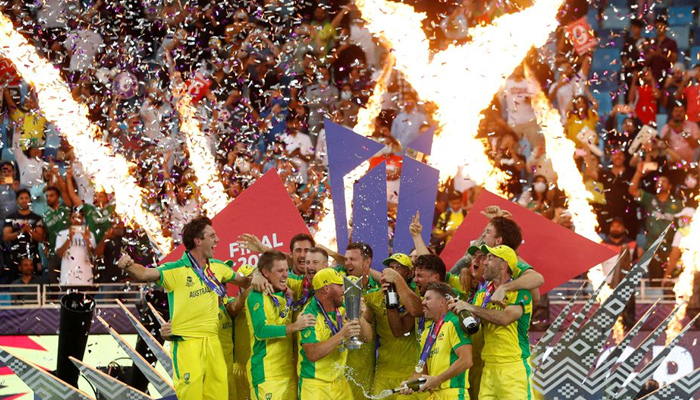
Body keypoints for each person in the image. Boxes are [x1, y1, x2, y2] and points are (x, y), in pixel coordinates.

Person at [117, 216, 246, 400]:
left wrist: (262, 274)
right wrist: (128, 266)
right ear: (198, 241)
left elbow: (246, 281)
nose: (217, 240)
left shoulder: (218, 267)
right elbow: (145, 273)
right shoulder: (176, 270)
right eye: (212, 236)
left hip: (213, 343)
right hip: (187, 344)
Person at [450, 245, 533, 400]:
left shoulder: (520, 292)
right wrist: (461, 312)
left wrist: (470, 307)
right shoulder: (482, 294)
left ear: (504, 264)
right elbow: (472, 327)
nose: (485, 263)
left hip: (513, 368)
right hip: (488, 368)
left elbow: (505, 319)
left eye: (490, 258)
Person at [245, 250, 316, 400]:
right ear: (265, 273)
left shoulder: (286, 293)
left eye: (286, 270)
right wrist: (295, 326)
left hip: (289, 372)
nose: (285, 275)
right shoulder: (257, 295)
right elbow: (261, 331)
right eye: (280, 271)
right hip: (267, 375)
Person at [297, 268, 372, 398]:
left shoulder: (342, 307)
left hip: (339, 380)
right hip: (315, 386)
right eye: (339, 285)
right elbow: (312, 354)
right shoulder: (310, 315)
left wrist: (359, 317)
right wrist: (341, 335)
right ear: (327, 289)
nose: (344, 289)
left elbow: (367, 338)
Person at [398, 282, 473, 400]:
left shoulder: (455, 323)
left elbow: (466, 360)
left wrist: (437, 380)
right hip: (434, 395)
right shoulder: (426, 334)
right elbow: (422, 371)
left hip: (453, 395)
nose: (422, 302)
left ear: (442, 302)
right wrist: (409, 384)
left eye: (428, 299)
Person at [365, 253, 424, 400]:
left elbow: (400, 329)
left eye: (399, 268)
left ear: (409, 273)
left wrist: (394, 293)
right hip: (384, 371)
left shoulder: (416, 296)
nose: (393, 271)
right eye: (391, 267)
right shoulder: (373, 297)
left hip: (409, 371)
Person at [629, 162, 682, 282]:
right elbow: (632, 190)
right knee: (654, 281)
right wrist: (638, 172)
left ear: (670, 186)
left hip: (670, 248)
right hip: (652, 247)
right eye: (658, 181)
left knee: (670, 283)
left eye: (663, 181)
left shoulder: (677, 204)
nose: (660, 183)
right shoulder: (650, 199)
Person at [3, 189, 45, 282]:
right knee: (15, 285)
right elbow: (6, 236)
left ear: (30, 200)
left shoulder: (37, 218)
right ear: (17, 200)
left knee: (35, 286)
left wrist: (29, 230)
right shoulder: (10, 218)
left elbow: (40, 237)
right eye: (21, 198)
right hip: (15, 257)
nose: (24, 200)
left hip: (33, 257)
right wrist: (21, 231)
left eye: (26, 198)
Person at [55, 209, 98, 286]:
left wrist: (87, 239)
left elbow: (93, 256)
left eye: (79, 217)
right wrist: (69, 238)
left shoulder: (90, 234)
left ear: (83, 219)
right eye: (74, 218)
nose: (76, 220)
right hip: (67, 278)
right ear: (70, 219)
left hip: (85, 278)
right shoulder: (62, 234)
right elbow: (60, 254)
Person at [659, 101, 700, 166]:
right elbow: (662, 146)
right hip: (671, 164)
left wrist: (682, 132)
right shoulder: (665, 128)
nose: (678, 114)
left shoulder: (693, 126)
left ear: (685, 113)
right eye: (676, 111)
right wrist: (669, 129)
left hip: (689, 164)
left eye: (681, 112)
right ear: (672, 113)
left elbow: (696, 145)